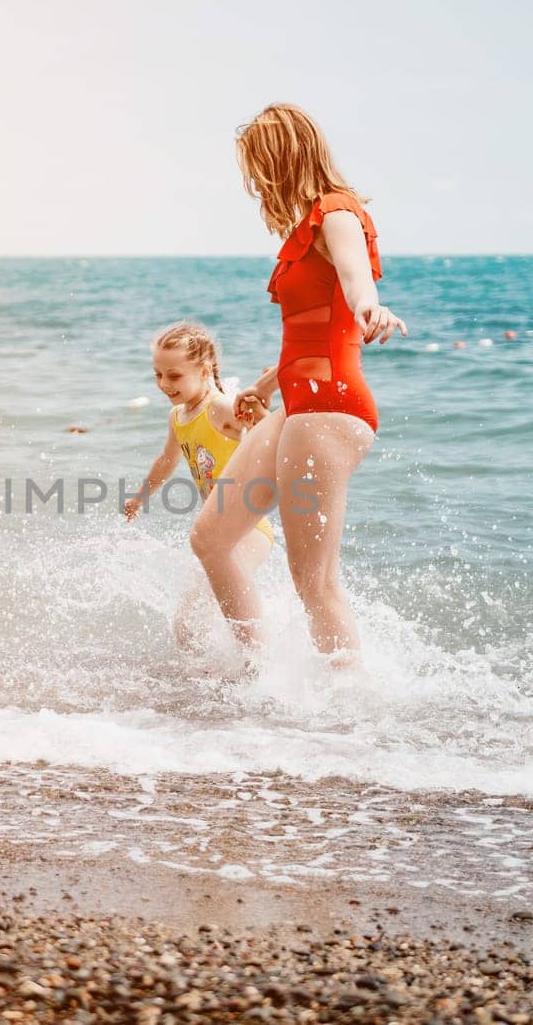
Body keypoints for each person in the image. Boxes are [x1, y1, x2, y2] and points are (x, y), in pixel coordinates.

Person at [189, 103, 407, 670]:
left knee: (316, 583)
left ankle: (348, 711)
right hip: (296, 407)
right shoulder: (302, 223)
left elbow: (357, 284)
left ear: (285, 158)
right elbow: (306, 333)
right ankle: (258, 674)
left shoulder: (336, 213)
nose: (256, 181)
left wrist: (371, 309)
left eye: (260, 164)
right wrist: (264, 384)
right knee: (211, 540)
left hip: (331, 410)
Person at [125, 322, 273, 649]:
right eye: (158, 374)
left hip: (249, 530)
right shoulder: (178, 416)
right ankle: (215, 682)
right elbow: (166, 460)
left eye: (174, 376)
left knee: (203, 615)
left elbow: (264, 430)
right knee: (188, 624)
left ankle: (261, 670)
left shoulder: (219, 408)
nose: (164, 384)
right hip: (221, 532)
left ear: (205, 371)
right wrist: (140, 497)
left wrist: (262, 410)